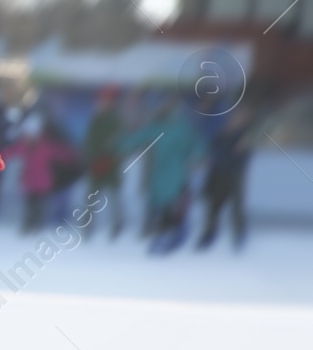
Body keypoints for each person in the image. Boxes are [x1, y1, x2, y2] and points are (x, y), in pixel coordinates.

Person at [120, 96, 204, 255]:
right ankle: (168, 235)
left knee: (169, 205)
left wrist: (118, 145)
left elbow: (197, 147)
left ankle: (169, 236)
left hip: (172, 173)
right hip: (167, 173)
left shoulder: (175, 128)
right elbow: (197, 147)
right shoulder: (170, 128)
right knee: (166, 205)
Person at [6, 113, 80, 234]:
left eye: (30, 134)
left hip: (43, 183)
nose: (28, 136)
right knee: (30, 207)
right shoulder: (24, 145)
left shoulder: (45, 146)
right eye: (26, 134)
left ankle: (36, 229)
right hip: (30, 182)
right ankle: (27, 228)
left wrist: (73, 157)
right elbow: (11, 152)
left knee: (41, 208)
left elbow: (60, 153)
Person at [196, 107, 255, 250]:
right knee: (214, 206)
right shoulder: (221, 135)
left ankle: (239, 235)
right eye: (233, 119)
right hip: (219, 173)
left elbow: (244, 155)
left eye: (239, 120)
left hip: (234, 174)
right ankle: (209, 233)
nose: (234, 122)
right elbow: (213, 152)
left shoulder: (245, 136)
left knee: (236, 206)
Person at [82, 86, 126, 238]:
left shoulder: (115, 119)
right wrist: (92, 157)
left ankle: (118, 223)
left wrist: (112, 156)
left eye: (106, 100)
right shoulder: (96, 119)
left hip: (111, 164)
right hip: (96, 163)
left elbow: (120, 142)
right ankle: (88, 225)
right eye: (101, 100)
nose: (102, 103)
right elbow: (89, 141)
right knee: (92, 195)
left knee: (114, 195)